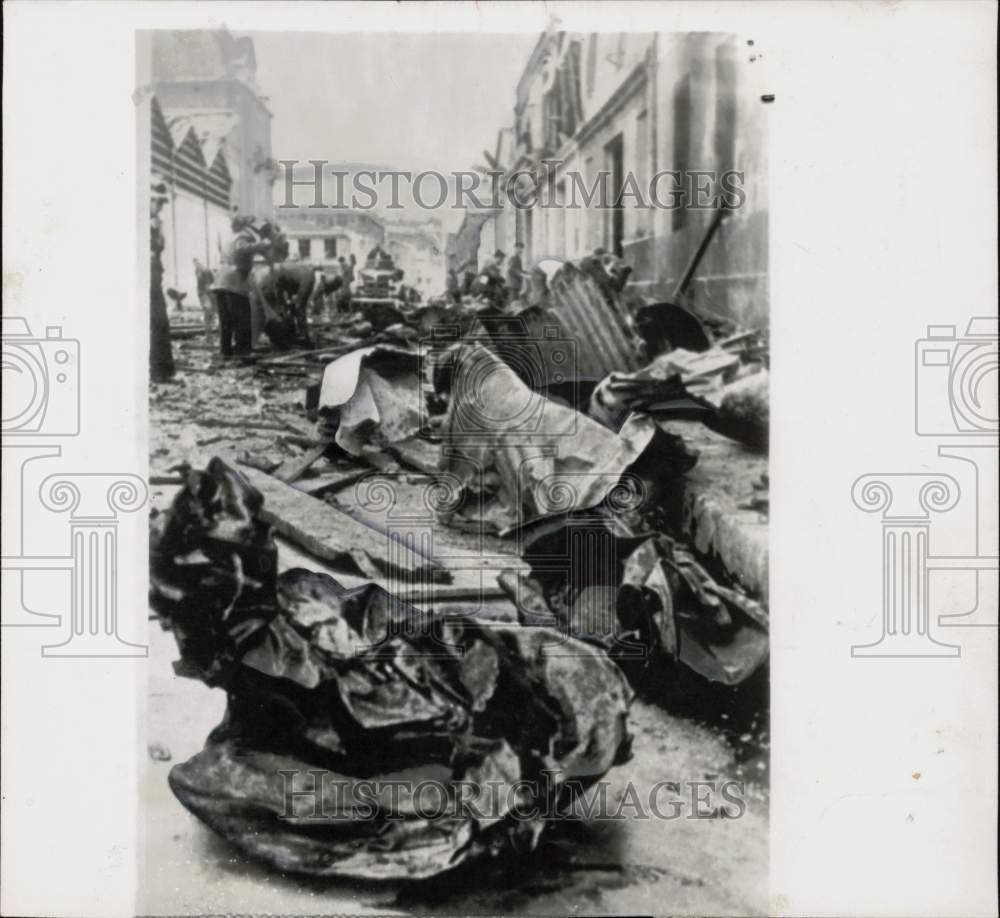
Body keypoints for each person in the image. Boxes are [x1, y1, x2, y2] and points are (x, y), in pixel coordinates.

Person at [211, 215, 275, 358]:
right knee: (243, 318)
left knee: (225, 320)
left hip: (220, 281)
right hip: (234, 281)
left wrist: (264, 252)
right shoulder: (244, 236)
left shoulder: (231, 237)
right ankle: (243, 352)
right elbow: (242, 248)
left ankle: (225, 351)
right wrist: (263, 244)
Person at [256, 262, 342, 346]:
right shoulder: (309, 281)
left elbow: (293, 302)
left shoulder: (308, 274)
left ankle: (281, 338)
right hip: (268, 280)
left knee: (283, 314)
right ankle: (277, 341)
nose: (321, 292)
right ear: (323, 282)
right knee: (276, 315)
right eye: (323, 290)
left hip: (270, 279)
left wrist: (291, 309)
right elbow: (300, 308)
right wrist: (305, 334)